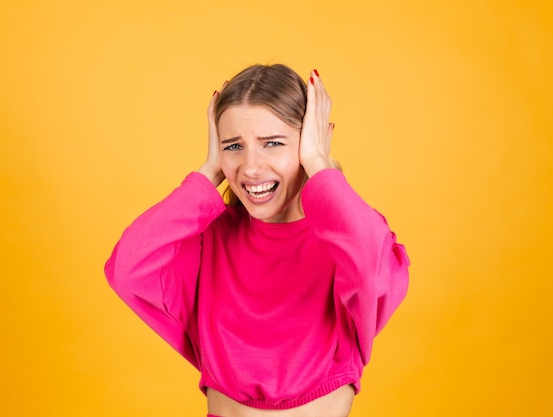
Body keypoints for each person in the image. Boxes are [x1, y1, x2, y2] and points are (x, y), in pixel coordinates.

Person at [104, 64, 410, 417]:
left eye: (273, 143)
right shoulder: (210, 240)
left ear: (313, 140)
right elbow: (127, 269)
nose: (250, 167)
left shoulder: (346, 241)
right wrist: (207, 174)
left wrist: (317, 163)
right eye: (234, 146)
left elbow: (375, 274)